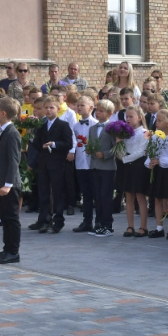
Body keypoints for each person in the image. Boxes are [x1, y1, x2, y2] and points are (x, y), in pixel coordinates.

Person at [30, 96, 74, 234]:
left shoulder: (63, 125)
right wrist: (31, 132)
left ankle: (58, 220)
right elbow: (37, 144)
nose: (48, 110)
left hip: (58, 163)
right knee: (43, 192)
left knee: (57, 192)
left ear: (58, 109)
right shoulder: (41, 126)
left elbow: (68, 143)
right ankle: (44, 219)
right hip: (44, 163)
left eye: (51, 107)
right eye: (46, 108)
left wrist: (54, 144)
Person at [0, 97, 22, 264]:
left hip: (8, 184)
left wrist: (8, 184)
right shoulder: (2, 131)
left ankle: (13, 252)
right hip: (0, 181)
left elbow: (14, 161)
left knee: (11, 218)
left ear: (3, 113)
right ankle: (6, 249)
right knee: (4, 218)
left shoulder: (12, 133)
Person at [145, 111, 168, 239]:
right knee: (157, 198)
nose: (157, 123)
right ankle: (159, 227)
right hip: (157, 170)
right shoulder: (155, 137)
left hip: (167, 171)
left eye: (160, 120)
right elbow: (150, 153)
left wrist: (160, 161)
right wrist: (150, 162)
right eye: (157, 120)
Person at [117, 105, 150, 237]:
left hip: (139, 166)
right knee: (129, 196)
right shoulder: (125, 133)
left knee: (140, 197)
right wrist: (119, 143)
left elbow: (141, 151)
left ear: (140, 117)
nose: (128, 119)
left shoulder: (145, 133)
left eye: (131, 116)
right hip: (127, 167)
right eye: (127, 117)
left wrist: (125, 159)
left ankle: (143, 226)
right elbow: (122, 148)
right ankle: (130, 226)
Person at [88, 99, 118, 237]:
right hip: (94, 166)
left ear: (110, 113)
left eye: (101, 111)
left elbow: (116, 148)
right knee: (97, 196)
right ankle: (98, 223)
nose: (97, 113)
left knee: (106, 196)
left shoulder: (112, 128)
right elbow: (91, 144)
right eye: (97, 110)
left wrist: (105, 154)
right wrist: (89, 149)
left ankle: (107, 225)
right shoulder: (92, 128)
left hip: (108, 167)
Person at [71, 95, 99, 234]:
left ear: (91, 107)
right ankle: (87, 221)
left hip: (92, 163)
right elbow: (74, 142)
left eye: (82, 105)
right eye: (78, 105)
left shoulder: (96, 124)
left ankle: (99, 221)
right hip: (80, 163)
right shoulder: (76, 125)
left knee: (96, 193)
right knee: (86, 194)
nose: (79, 107)